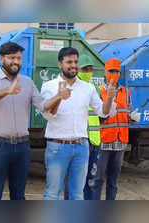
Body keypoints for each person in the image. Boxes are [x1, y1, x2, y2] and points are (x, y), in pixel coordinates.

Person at [0, 42, 53, 200]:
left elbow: (42, 106)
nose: (16, 61)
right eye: (11, 57)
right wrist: (7, 91)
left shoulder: (27, 82)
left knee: (19, 194)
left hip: (22, 146)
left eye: (19, 58)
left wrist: (59, 97)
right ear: (1, 58)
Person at [41, 47, 117, 200]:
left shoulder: (87, 88)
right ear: (60, 64)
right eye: (69, 62)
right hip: (57, 147)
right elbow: (47, 114)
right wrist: (59, 97)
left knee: (77, 194)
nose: (73, 65)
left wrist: (109, 98)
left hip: (82, 147)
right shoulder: (49, 86)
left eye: (75, 62)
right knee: (52, 193)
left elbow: (103, 112)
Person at [92, 58, 141, 200]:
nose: (114, 74)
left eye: (117, 71)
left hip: (120, 143)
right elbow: (96, 117)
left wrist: (132, 118)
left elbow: (126, 114)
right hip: (103, 142)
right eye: (111, 71)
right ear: (105, 72)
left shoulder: (126, 92)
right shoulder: (99, 91)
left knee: (113, 182)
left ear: (120, 73)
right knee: (97, 180)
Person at [64, 54, 102, 200]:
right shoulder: (71, 88)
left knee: (91, 181)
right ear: (78, 69)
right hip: (79, 141)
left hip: (94, 141)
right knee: (75, 181)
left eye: (90, 69)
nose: (88, 72)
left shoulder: (93, 89)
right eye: (85, 69)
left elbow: (100, 115)